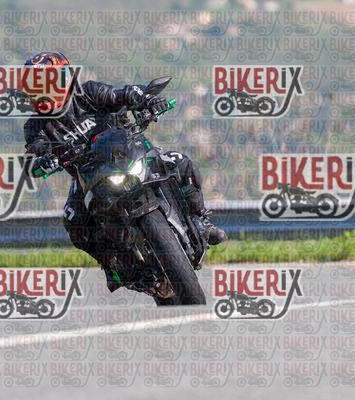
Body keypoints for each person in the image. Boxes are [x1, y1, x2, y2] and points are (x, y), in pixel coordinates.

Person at [23, 51, 227, 271]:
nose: (44, 90)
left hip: (127, 151)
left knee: (180, 162)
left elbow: (121, 95)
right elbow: (35, 152)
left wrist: (147, 100)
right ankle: (112, 264)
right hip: (86, 175)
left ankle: (201, 221)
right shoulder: (35, 126)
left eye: (48, 83)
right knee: (73, 220)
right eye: (37, 86)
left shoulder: (88, 94)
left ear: (65, 78)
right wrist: (44, 161)